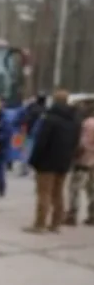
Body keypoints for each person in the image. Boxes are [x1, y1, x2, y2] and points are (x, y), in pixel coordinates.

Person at [25, 89, 82, 233]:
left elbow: (41, 142)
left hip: (46, 162)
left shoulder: (49, 119)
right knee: (58, 193)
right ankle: (56, 223)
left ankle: (40, 224)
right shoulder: (75, 120)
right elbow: (76, 142)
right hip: (63, 162)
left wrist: (33, 161)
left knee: (44, 193)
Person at [65, 114, 94, 226]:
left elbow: (82, 143)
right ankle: (92, 215)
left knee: (74, 189)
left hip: (84, 162)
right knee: (91, 189)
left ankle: (72, 215)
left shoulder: (87, 123)